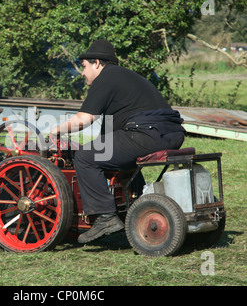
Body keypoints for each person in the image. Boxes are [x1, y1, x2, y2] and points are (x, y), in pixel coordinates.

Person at [50, 39, 185, 244]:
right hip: (171, 133)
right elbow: (108, 137)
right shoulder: (125, 77)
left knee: (86, 157)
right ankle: (133, 209)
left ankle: (105, 218)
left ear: (97, 63)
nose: (82, 72)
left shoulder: (106, 78)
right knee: (111, 154)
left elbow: (83, 119)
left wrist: (54, 130)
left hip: (146, 133)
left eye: (84, 66)